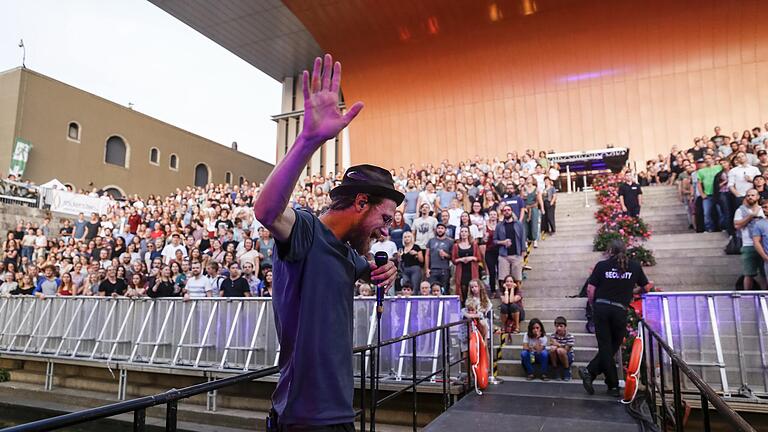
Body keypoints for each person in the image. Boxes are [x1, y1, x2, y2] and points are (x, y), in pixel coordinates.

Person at [252, 54, 398, 431]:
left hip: (339, 417)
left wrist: (388, 270)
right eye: (384, 219)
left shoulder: (350, 255)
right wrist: (308, 139)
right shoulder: (305, 233)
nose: (386, 231)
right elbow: (267, 210)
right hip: (302, 420)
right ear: (360, 202)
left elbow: (373, 268)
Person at [580, 239, 652, 398]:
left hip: (602, 308)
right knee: (612, 346)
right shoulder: (633, 266)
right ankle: (608, 382)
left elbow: (591, 290)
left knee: (606, 346)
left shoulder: (601, 266)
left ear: (610, 251)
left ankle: (592, 372)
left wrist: (593, 306)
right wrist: (632, 292)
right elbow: (647, 287)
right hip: (620, 310)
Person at [734, 189, 766, 290]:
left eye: (752, 195)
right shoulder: (740, 210)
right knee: (748, 273)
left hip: (764, 244)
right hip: (748, 245)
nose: (750, 197)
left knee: (764, 273)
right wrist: (750, 216)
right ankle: (747, 294)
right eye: (748, 195)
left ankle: (765, 295)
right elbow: (737, 225)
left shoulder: (763, 209)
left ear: (757, 197)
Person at [494, 204, 526, 288]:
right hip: (504, 255)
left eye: (508, 210)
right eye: (505, 210)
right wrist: (502, 242)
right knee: (503, 279)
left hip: (516, 254)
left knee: (517, 279)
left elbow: (523, 238)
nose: (507, 211)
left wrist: (523, 252)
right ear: (502, 213)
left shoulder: (518, 224)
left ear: (511, 211)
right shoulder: (499, 225)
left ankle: (517, 295)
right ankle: (505, 295)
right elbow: (494, 241)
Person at [425, 223, 454, 293]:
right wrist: (427, 268)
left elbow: (452, 257)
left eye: (442, 228)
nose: (440, 230)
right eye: (438, 228)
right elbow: (427, 255)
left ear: (445, 230)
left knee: (444, 290)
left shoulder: (450, 241)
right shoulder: (431, 241)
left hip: (444, 270)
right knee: (432, 290)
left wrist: (445, 255)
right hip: (433, 269)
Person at [548, 316, 575, 381]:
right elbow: (552, 347)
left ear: (565, 327)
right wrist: (555, 346)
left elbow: (566, 350)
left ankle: (566, 369)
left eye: (561, 326)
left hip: (567, 356)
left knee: (560, 350)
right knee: (552, 349)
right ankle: (556, 369)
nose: (559, 328)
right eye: (557, 326)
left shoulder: (570, 336)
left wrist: (558, 344)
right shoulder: (553, 335)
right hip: (556, 357)